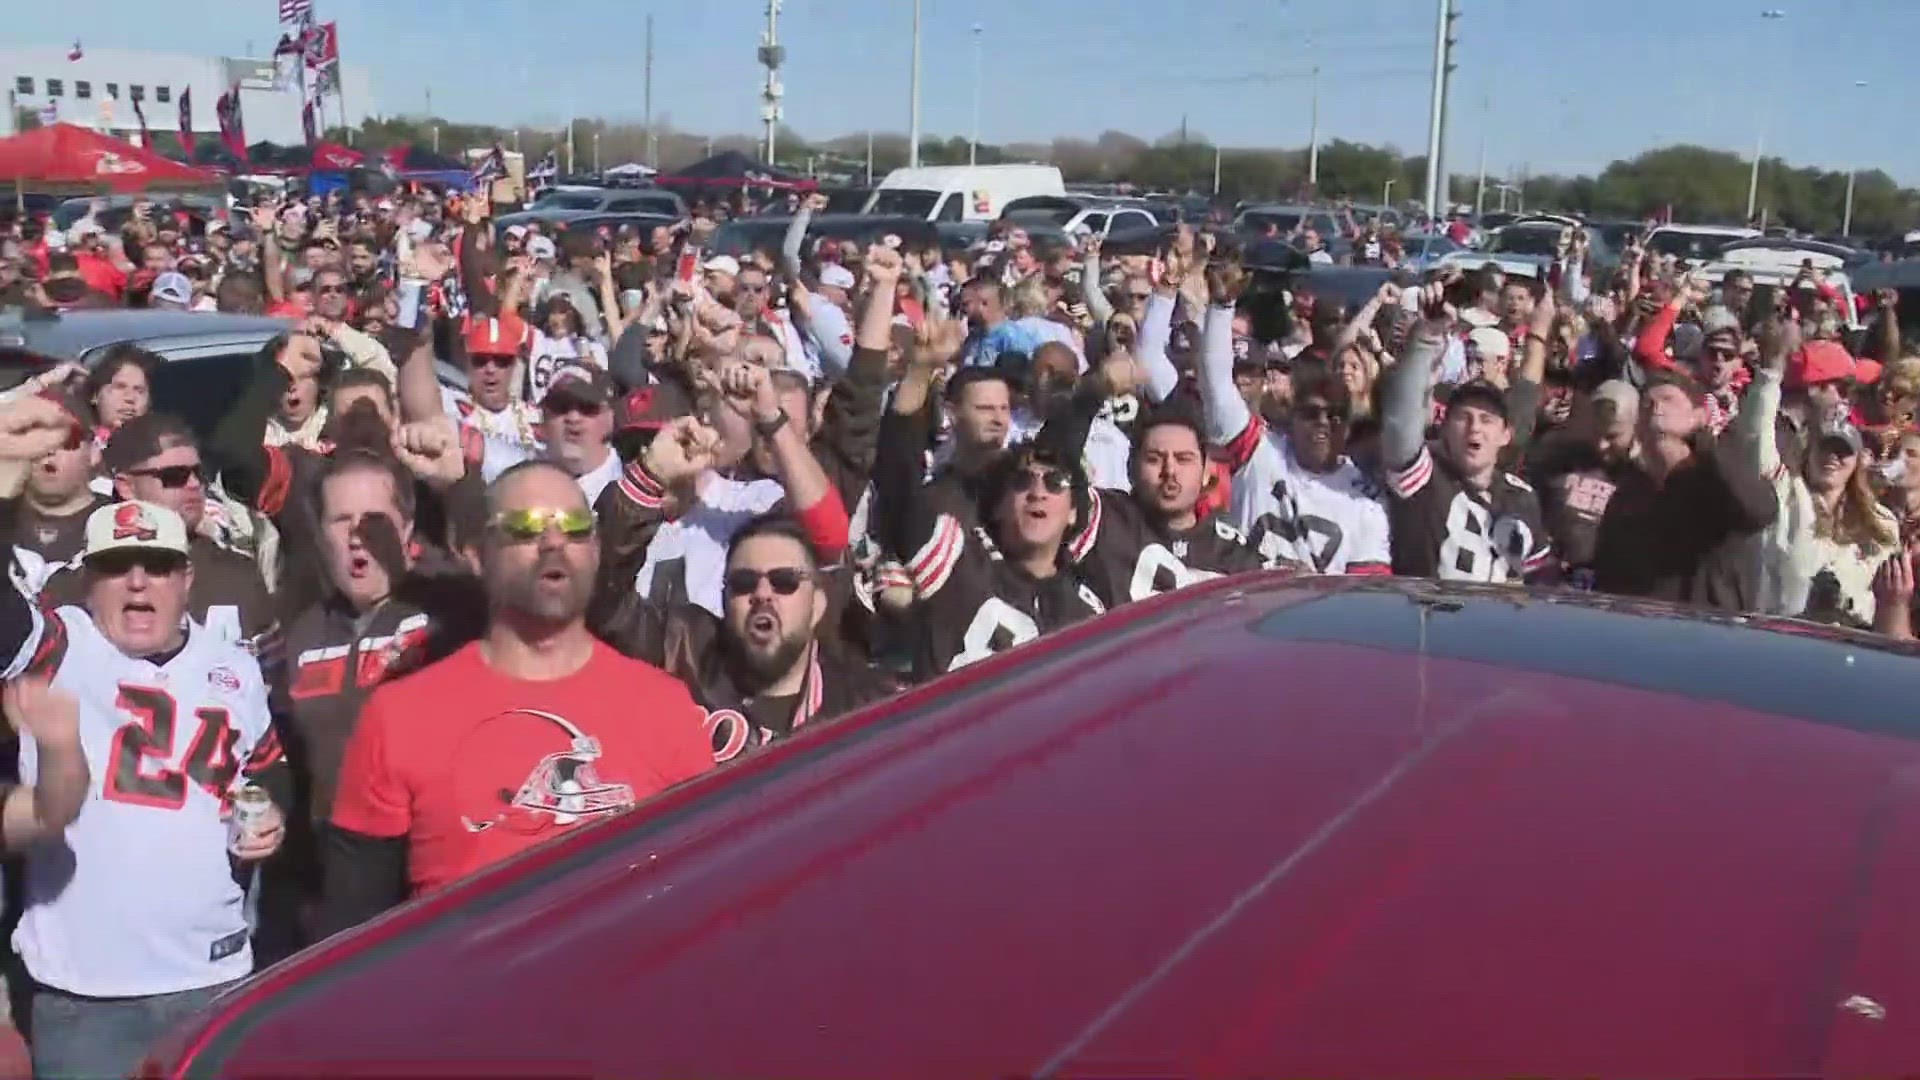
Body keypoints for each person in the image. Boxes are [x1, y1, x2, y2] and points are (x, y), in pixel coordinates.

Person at [316, 461, 713, 936]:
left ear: (595, 550)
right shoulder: (397, 715)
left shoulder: (665, 706)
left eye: (575, 527)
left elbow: (706, 895)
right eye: (525, 528)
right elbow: (351, 930)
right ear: (477, 555)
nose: (552, 543)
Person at [17, 501, 286, 1080]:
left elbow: (261, 773)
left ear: (186, 579)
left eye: (157, 564)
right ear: (89, 583)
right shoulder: (62, 645)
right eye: (118, 566)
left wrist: (268, 820)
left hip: (212, 980)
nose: (138, 581)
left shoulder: (234, 668)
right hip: (85, 993)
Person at [595, 514, 894, 763]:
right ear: (724, 600)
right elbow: (603, 599)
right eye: (744, 583)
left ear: (817, 606)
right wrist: (649, 479)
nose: (763, 595)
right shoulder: (684, 650)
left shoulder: (869, 707)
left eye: (784, 582)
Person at [41, 414, 277, 660]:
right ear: (126, 487)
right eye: (174, 476)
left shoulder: (239, 573)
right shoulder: (77, 582)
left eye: (199, 473)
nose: (194, 484)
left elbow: (273, 680)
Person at [1378, 318, 1553, 583]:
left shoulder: (1522, 497)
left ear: (1505, 435)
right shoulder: (1425, 477)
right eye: (1463, 417)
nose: (1474, 428)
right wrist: (1423, 343)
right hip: (1428, 618)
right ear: (1445, 427)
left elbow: (1541, 580)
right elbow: (1400, 426)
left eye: (1487, 419)